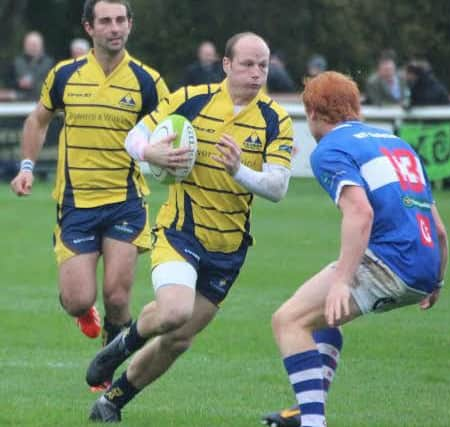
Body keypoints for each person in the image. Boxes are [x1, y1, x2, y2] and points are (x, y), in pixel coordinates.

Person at [85, 31, 294, 422]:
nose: (256, 73)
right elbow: (136, 135)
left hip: (229, 248)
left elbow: (278, 187)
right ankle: (119, 346)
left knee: (178, 340)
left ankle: (110, 402)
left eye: (263, 65)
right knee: (173, 312)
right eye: (247, 64)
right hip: (180, 232)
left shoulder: (274, 119)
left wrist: (238, 170)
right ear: (227, 65)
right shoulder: (191, 98)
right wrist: (150, 151)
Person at [10, 0, 176, 391]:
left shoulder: (148, 81)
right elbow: (37, 119)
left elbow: (169, 129)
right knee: (76, 299)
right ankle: (84, 312)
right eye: (105, 21)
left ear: (130, 25)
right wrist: (27, 167)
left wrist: (167, 157)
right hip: (75, 204)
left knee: (118, 297)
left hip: (125, 202)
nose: (114, 28)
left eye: (121, 20)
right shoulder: (65, 75)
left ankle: (106, 366)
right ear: (90, 28)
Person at [269, 71, 448, 427]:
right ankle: (304, 412)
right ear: (355, 106)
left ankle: (312, 422)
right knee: (323, 316)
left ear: (313, 113)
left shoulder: (330, 150)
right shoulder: (398, 144)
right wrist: (437, 280)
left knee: (288, 320)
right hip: (425, 267)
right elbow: (439, 228)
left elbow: (360, 212)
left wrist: (342, 280)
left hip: (391, 261)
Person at [9, 31, 54, 101]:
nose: (33, 47)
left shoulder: (51, 63)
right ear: (25, 45)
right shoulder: (16, 62)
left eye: (35, 44)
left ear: (41, 45)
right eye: (30, 44)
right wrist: (19, 83)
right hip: (20, 103)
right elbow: (8, 82)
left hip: (43, 103)